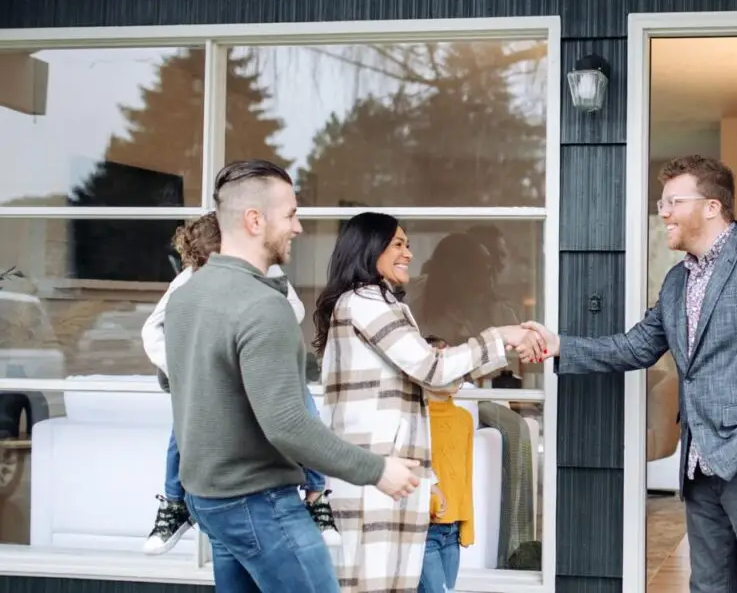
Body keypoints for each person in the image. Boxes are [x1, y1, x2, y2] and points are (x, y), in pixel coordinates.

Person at [524, 155, 737, 593]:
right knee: (707, 586)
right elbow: (636, 347)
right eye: (661, 203)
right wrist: (560, 345)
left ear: (712, 207)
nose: (663, 212)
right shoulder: (676, 281)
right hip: (700, 468)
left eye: (672, 202)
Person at [163, 161, 420, 592]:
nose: (298, 228)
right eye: (290, 215)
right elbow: (288, 425)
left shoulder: (185, 298)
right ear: (254, 220)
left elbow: (175, 384)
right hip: (260, 506)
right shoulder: (264, 306)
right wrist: (377, 470)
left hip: (209, 502)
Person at [310, 211, 544, 593]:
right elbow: (432, 368)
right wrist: (502, 336)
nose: (409, 253)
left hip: (385, 477)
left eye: (408, 244)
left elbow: (430, 379)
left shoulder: (376, 302)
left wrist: (427, 480)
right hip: (374, 478)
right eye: (398, 244)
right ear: (370, 249)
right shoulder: (366, 302)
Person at [139, 211, 340, 555]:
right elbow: (152, 329)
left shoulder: (266, 273)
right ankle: (174, 503)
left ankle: (315, 496)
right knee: (181, 432)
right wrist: (183, 370)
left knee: (305, 413)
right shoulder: (189, 281)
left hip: (263, 367)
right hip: (212, 377)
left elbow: (294, 310)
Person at [418, 335, 475, 593]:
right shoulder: (415, 416)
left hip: (452, 531)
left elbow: (466, 475)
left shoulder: (464, 419)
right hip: (424, 529)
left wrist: (467, 523)